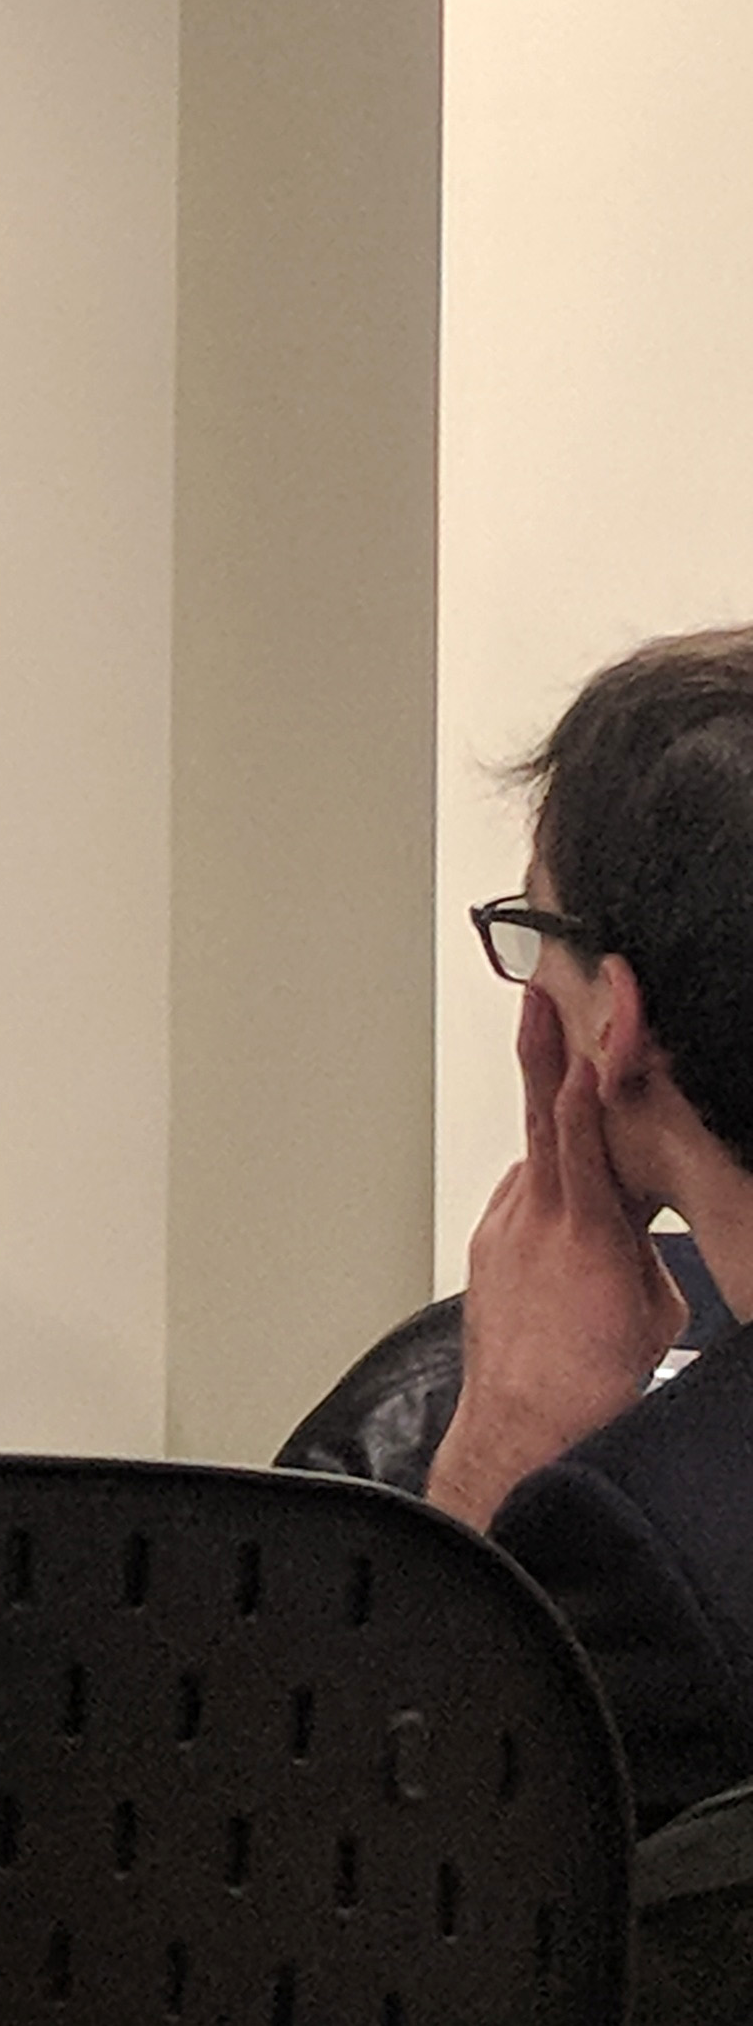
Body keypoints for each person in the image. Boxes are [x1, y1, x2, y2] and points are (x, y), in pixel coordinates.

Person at [432, 623, 753, 1830]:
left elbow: (412, 1890)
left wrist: (497, 1450)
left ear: (610, 1020)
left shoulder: (635, 1542)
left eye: (535, 933)